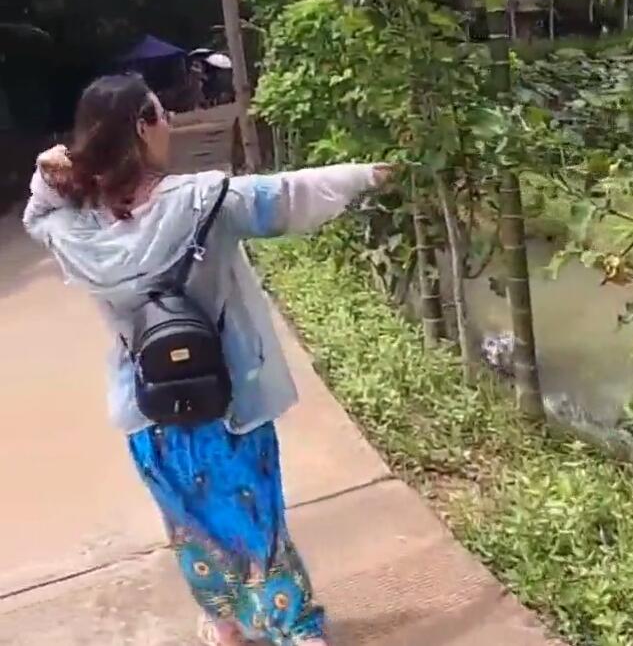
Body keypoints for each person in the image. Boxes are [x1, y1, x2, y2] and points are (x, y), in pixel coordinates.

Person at [21, 74, 390, 646]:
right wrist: (367, 175)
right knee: (259, 531)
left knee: (192, 530)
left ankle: (225, 626)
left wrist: (53, 171)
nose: (169, 124)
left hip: (151, 412)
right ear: (143, 128)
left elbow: (37, 213)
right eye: (161, 115)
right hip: (229, 404)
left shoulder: (76, 229)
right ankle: (297, 633)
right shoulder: (204, 201)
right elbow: (287, 196)